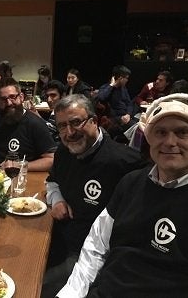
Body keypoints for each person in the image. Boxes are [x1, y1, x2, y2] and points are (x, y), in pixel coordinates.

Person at [57, 93, 188, 297]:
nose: (170, 142)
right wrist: (71, 293)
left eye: (182, 132)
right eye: (160, 132)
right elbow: (96, 246)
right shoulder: (131, 182)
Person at [41, 94, 146, 297]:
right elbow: (52, 181)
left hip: (91, 254)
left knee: (35, 286)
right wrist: (58, 200)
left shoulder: (126, 162)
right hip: (58, 235)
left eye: (76, 123)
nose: (69, 132)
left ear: (94, 121)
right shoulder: (64, 151)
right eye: (62, 126)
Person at [0, 77, 56, 171]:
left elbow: (51, 160)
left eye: (12, 97)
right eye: (3, 99)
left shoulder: (35, 124)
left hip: (23, 179)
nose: (9, 103)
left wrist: (20, 166)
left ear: (21, 97)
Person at [97, 65, 136, 138]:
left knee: (139, 125)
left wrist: (128, 114)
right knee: (136, 129)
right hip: (114, 119)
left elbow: (129, 104)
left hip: (126, 117)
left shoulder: (123, 89)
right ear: (120, 78)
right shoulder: (106, 87)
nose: (127, 80)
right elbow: (101, 97)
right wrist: (112, 85)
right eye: (126, 78)